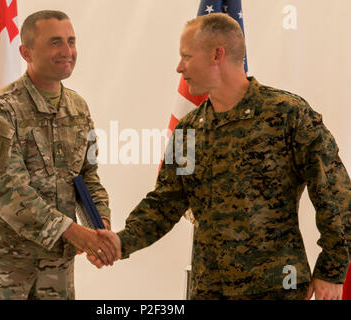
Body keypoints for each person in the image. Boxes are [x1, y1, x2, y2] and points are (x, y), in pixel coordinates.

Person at [91, 13, 351, 300]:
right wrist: (120, 241)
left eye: (187, 56)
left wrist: (331, 269)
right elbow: (166, 201)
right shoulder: (189, 129)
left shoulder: (287, 114)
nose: (179, 67)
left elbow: (334, 193)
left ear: (217, 55)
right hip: (209, 289)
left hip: (275, 289)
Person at [0, 10, 116, 300]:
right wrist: (73, 231)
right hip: (3, 269)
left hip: (56, 271)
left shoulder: (78, 108)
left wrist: (100, 225)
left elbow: (87, 176)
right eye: (55, 42)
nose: (67, 51)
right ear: (25, 51)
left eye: (71, 41)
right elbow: (7, 190)